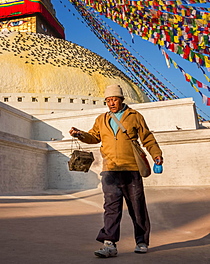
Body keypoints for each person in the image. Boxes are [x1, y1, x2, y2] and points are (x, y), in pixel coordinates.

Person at [69, 84, 163, 258]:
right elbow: (94, 137)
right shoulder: (101, 119)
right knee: (111, 208)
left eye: (114, 99)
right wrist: (79, 134)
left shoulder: (134, 116)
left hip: (131, 168)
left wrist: (156, 154)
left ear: (121, 100)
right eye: (108, 100)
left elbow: (147, 138)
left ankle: (141, 241)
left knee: (137, 207)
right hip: (110, 170)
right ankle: (109, 244)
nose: (111, 103)